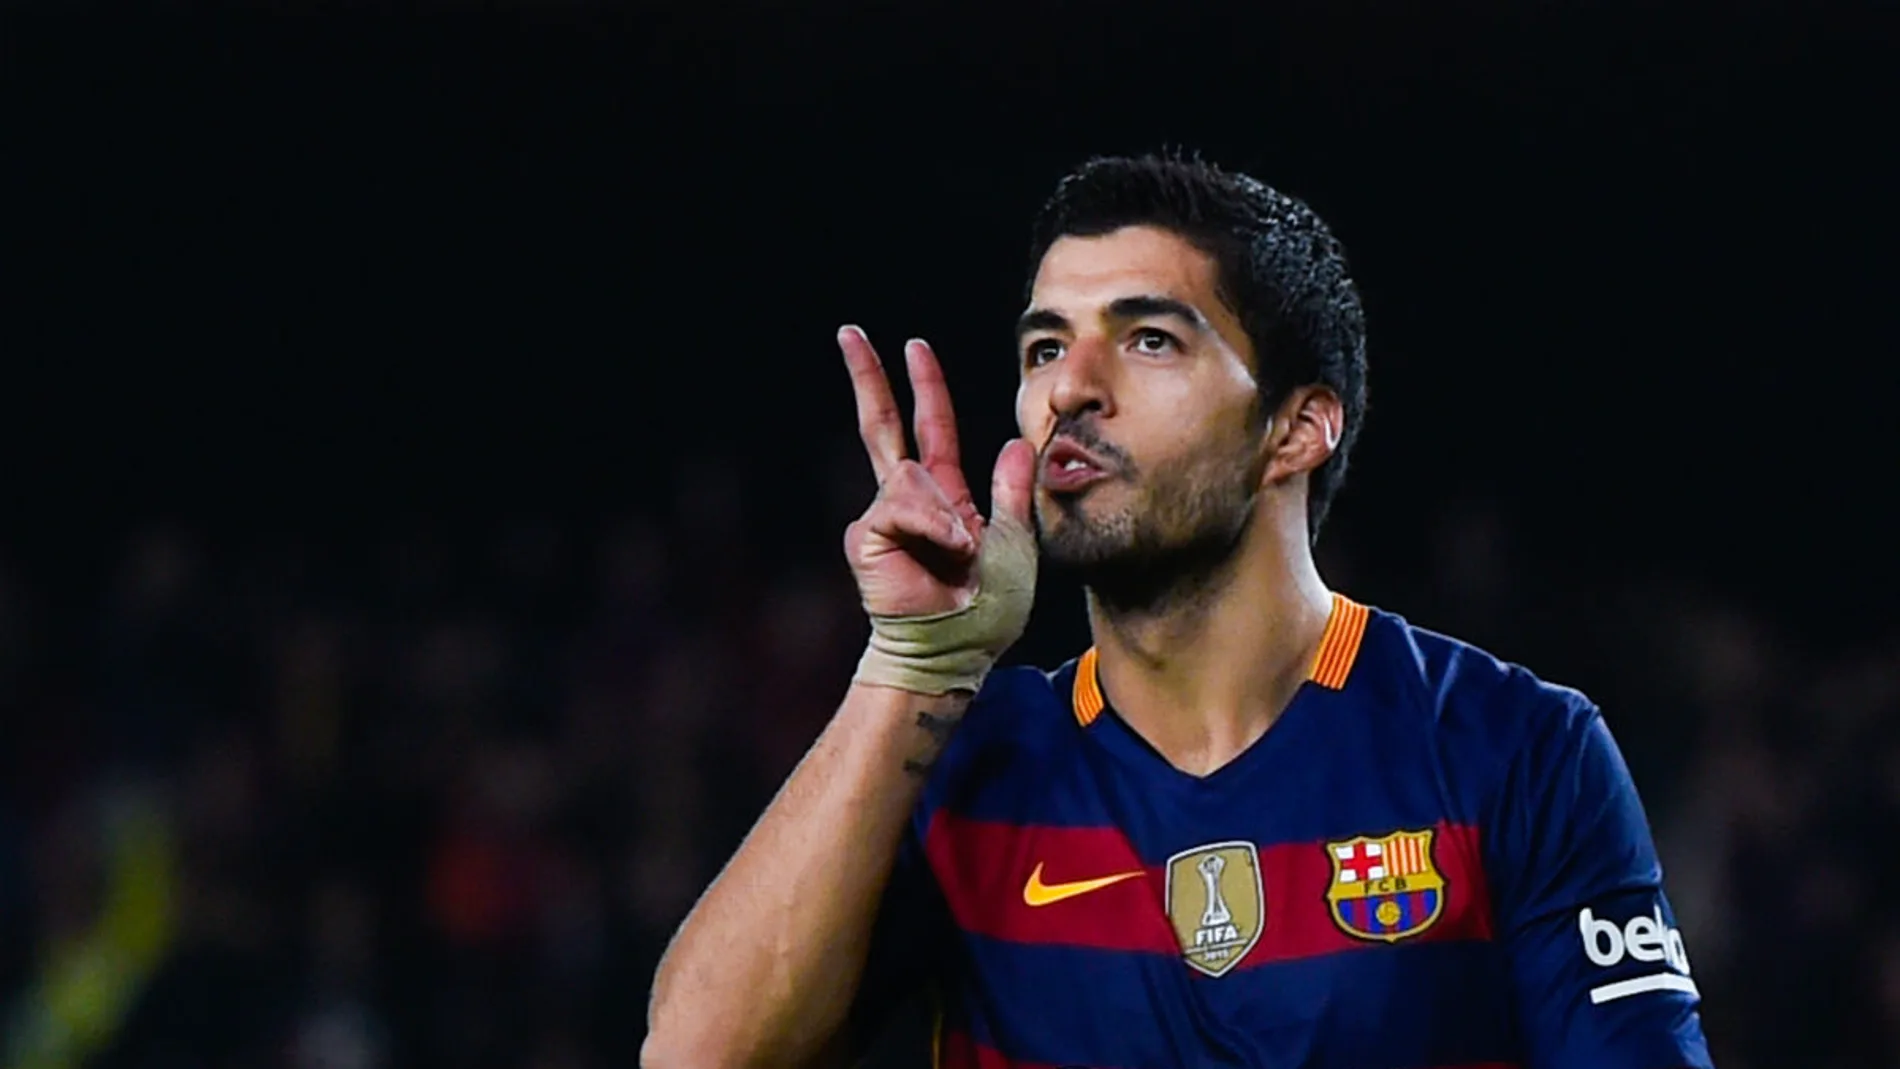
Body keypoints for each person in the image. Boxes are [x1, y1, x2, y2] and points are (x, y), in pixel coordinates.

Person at [643, 154, 1713, 1069]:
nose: (1070, 387)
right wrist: (912, 661)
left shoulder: (1513, 750)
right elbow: (695, 1054)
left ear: (1295, 430)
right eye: (1044, 347)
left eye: (1149, 338)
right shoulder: (964, 767)